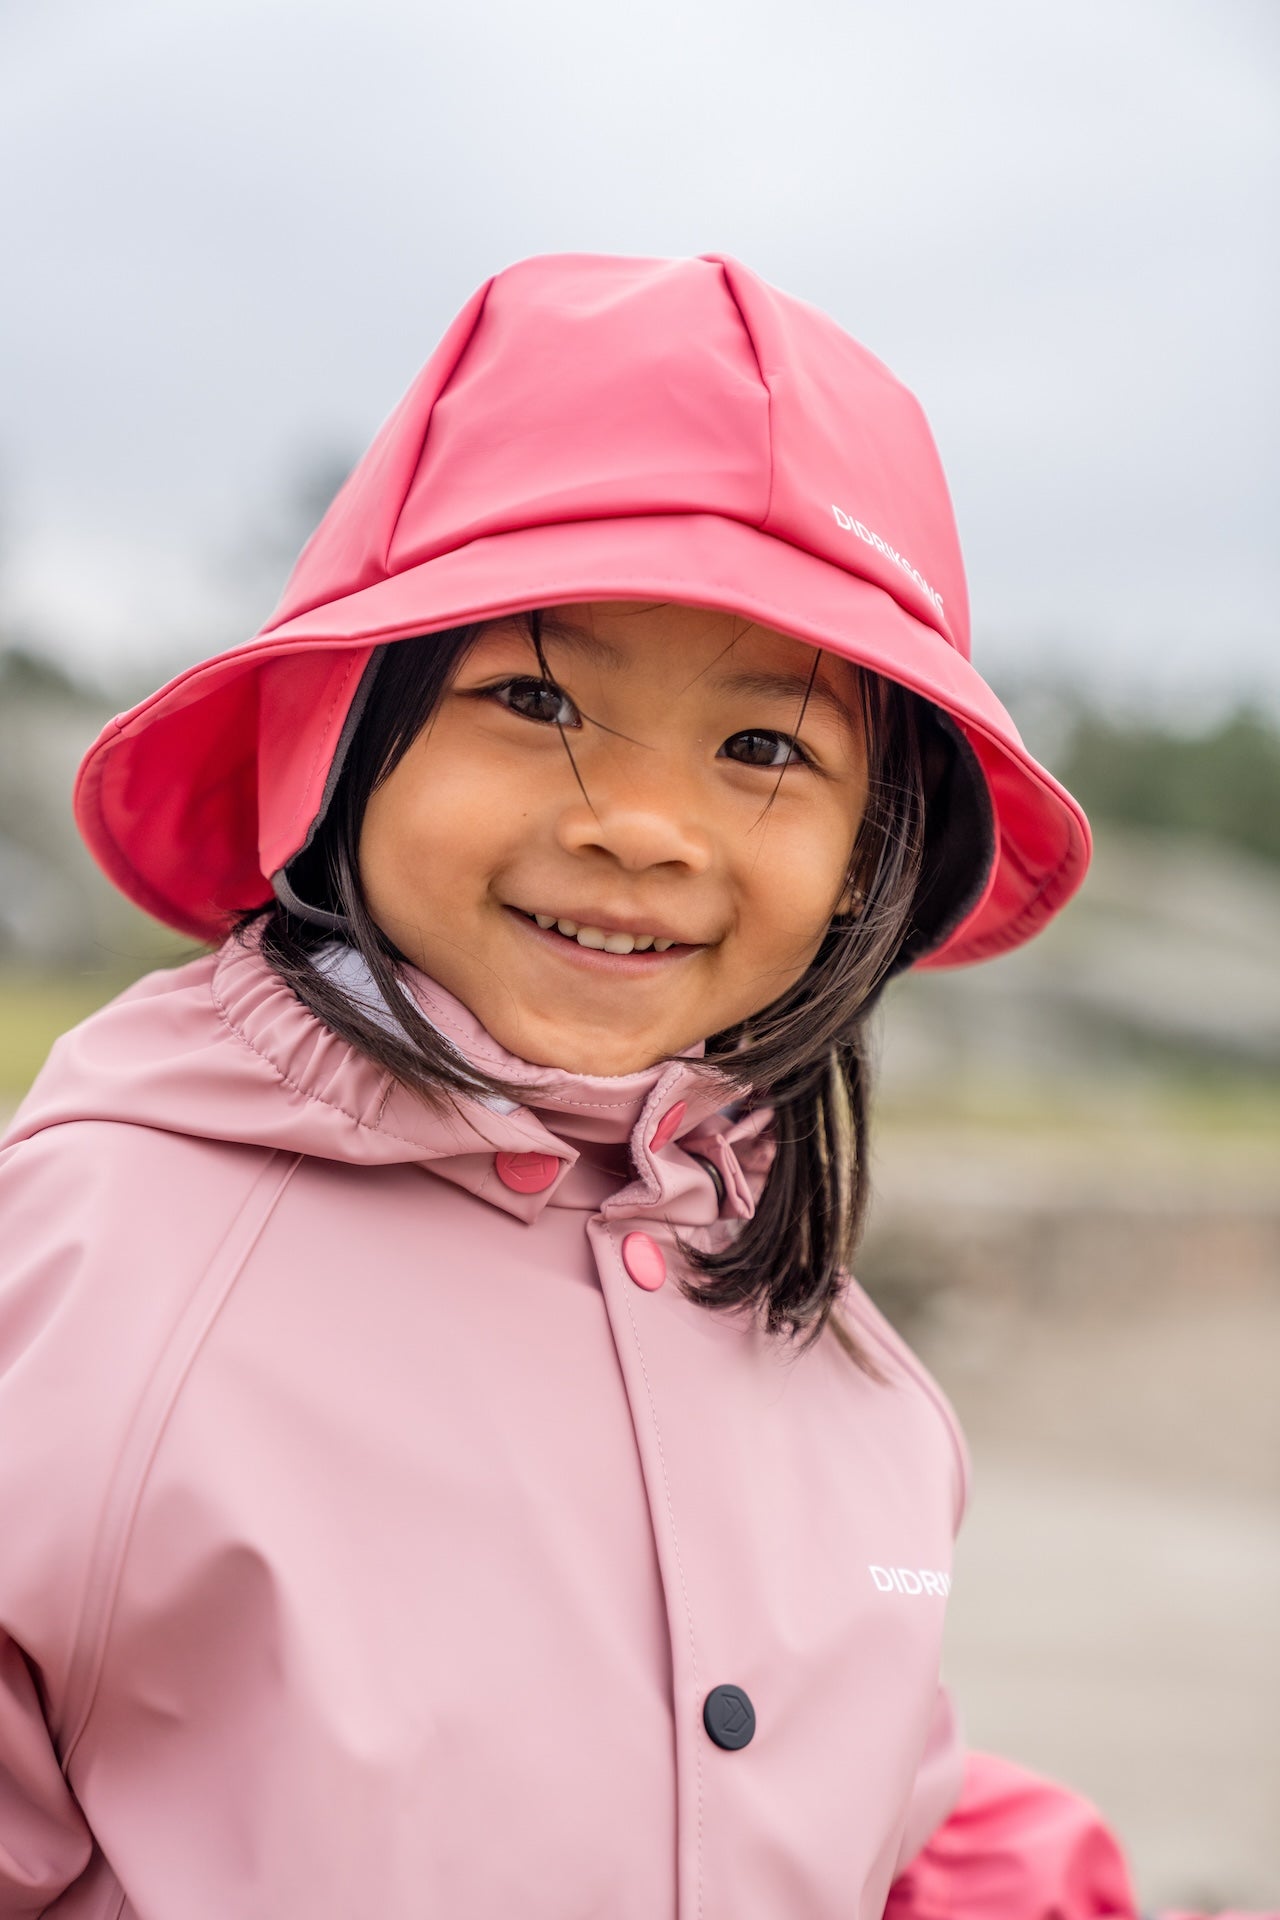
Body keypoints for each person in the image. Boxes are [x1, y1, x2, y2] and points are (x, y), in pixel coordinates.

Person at [0, 254, 1264, 1920]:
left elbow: (851, 1810)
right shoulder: (105, 1253)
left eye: (765, 749)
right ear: (339, 735)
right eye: (536, 699)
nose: (645, 826)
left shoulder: (822, 1339)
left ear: (875, 849)